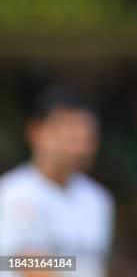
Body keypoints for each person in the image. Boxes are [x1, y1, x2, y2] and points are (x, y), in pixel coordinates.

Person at [0, 88, 114, 277]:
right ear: (36, 132)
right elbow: (27, 265)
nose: (78, 146)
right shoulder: (14, 193)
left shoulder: (98, 199)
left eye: (85, 136)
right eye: (68, 134)